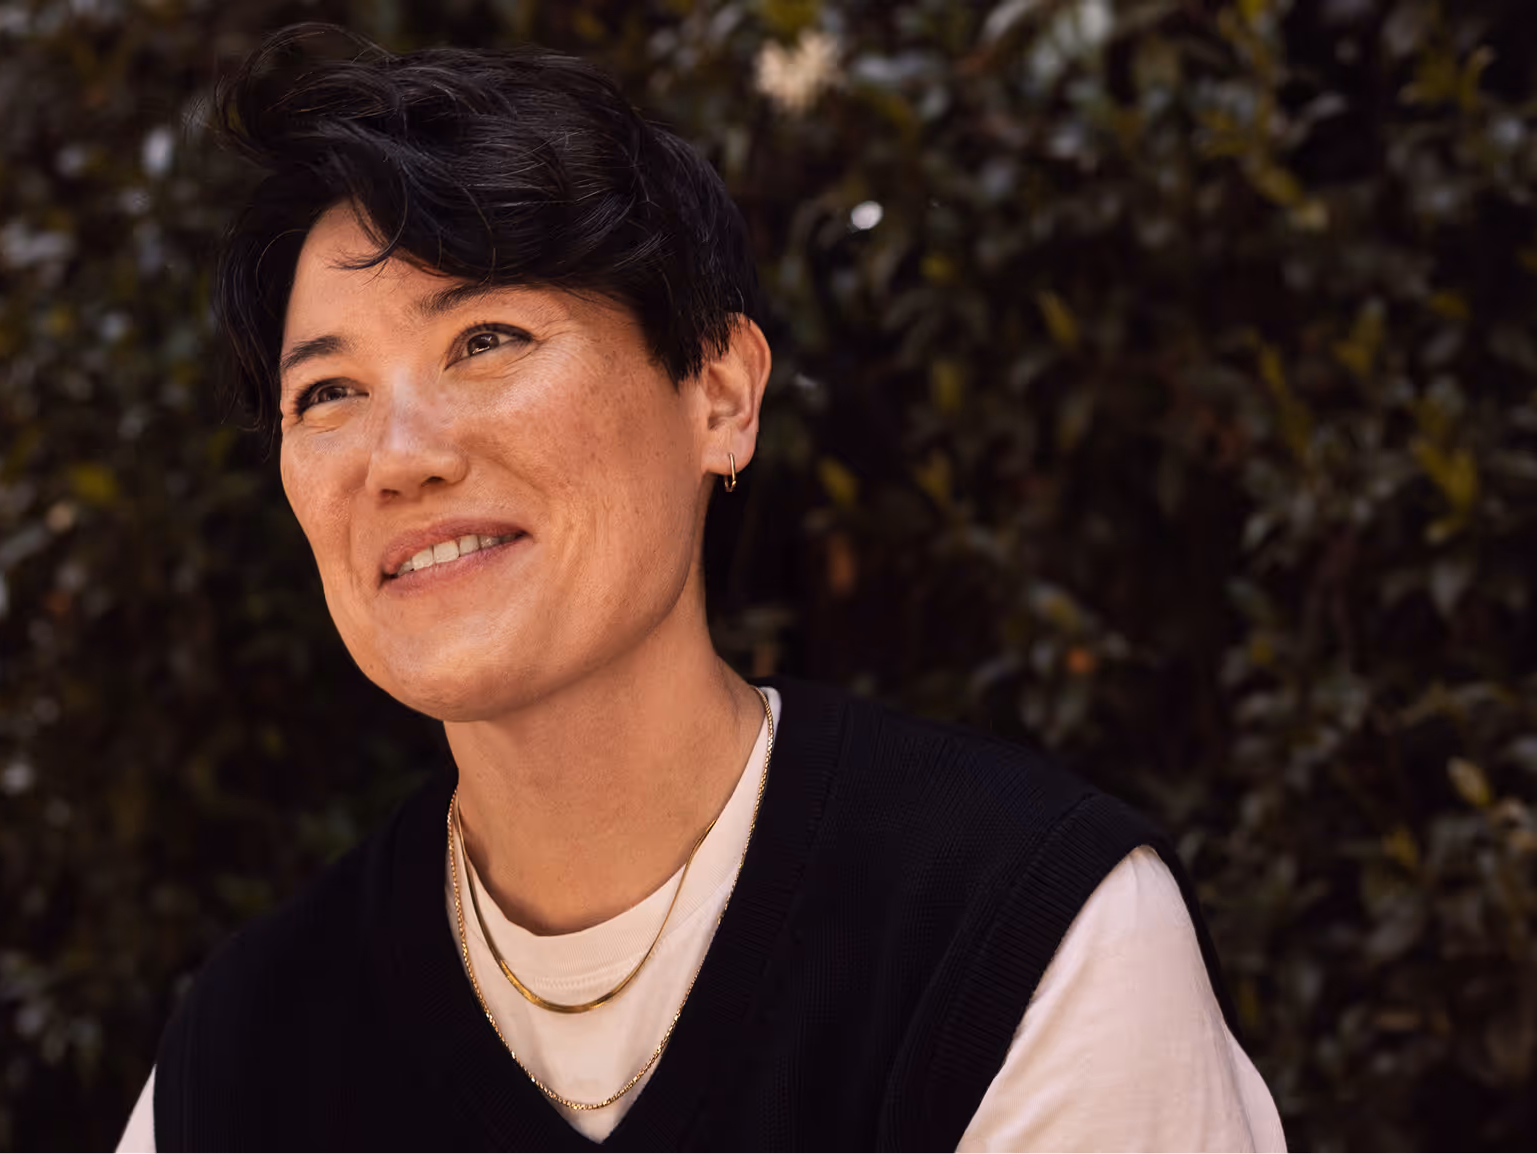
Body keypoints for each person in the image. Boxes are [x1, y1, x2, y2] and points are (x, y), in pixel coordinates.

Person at [116, 23, 1284, 1152]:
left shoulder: (1019, 934)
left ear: (720, 394)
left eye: (488, 339)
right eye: (328, 395)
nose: (400, 453)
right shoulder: (240, 1060)